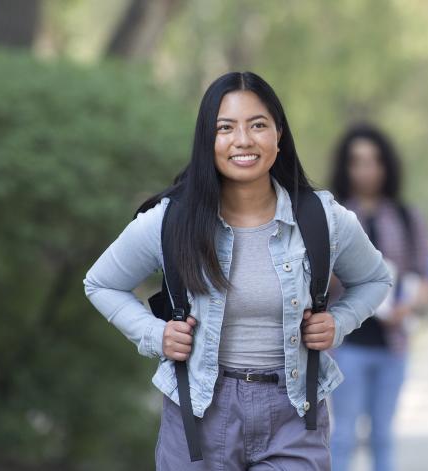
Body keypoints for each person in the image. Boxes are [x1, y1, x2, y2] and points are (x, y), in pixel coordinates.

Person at [83, 71, 392, 470]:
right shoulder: (172, 220)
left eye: (258, 125)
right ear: (206, 141)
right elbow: (102, 282)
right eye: (225, 128)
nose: (243, 140)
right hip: (197, 411)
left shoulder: (323, 218)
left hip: (294, 412)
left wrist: (339, 321)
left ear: (278, 135)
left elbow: (375, 279)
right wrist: (155, 334)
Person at [327, 123, 428, 471]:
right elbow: (313, 281)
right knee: (342, 436)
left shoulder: (405, 216)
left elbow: (426, 276)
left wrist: (410, 304)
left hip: (393, 344)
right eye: (357, 161)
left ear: (387, 166)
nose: (366, 170)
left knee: (383, 436)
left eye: (373, 161)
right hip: (347, 343)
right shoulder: (332, 216)